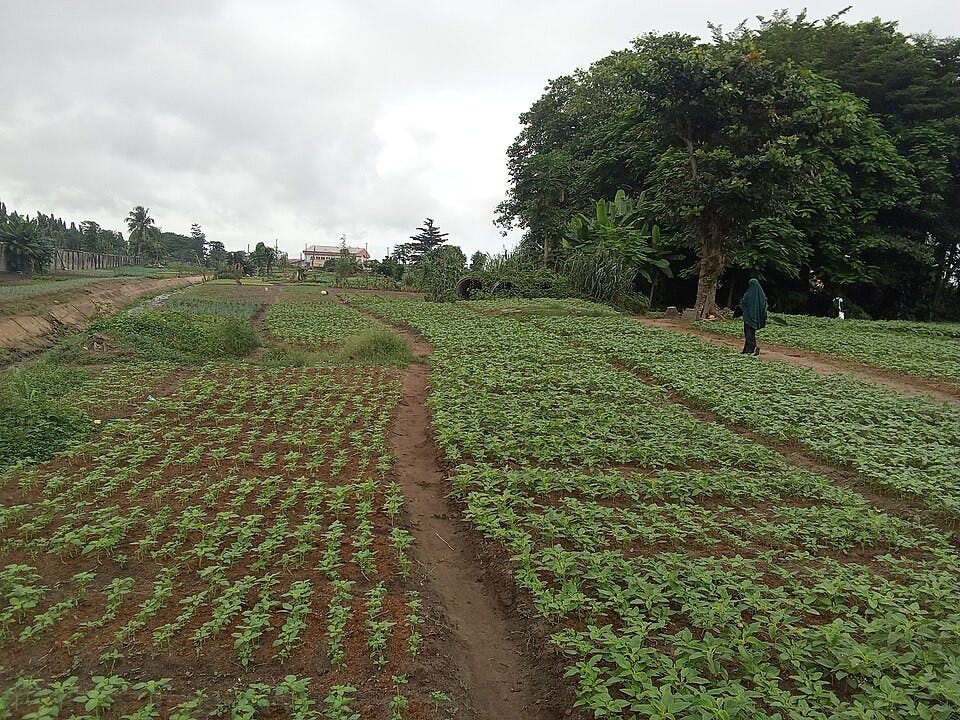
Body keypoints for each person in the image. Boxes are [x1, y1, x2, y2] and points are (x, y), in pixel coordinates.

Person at [732, 278, 767, 355]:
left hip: (748, 318)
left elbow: (743, 304)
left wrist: (736, 314)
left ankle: (749, 350)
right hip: (756, 318)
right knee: (751, 333)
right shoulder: (761, 296)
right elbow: (764, 306)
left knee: (748, 333)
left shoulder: (749, 294)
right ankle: (748, 349)